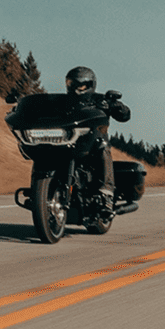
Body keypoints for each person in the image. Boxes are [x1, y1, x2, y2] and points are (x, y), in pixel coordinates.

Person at [65, 66, 131, 217]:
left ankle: (107, 193)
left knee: (103, 147)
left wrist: (116, 106)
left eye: (80, 85)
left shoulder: (100, 99)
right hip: (70, 143)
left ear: (89, 86)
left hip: (92, 144)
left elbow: (125, 116)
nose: (76, 89)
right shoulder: (64, 102)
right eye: (72, 84)